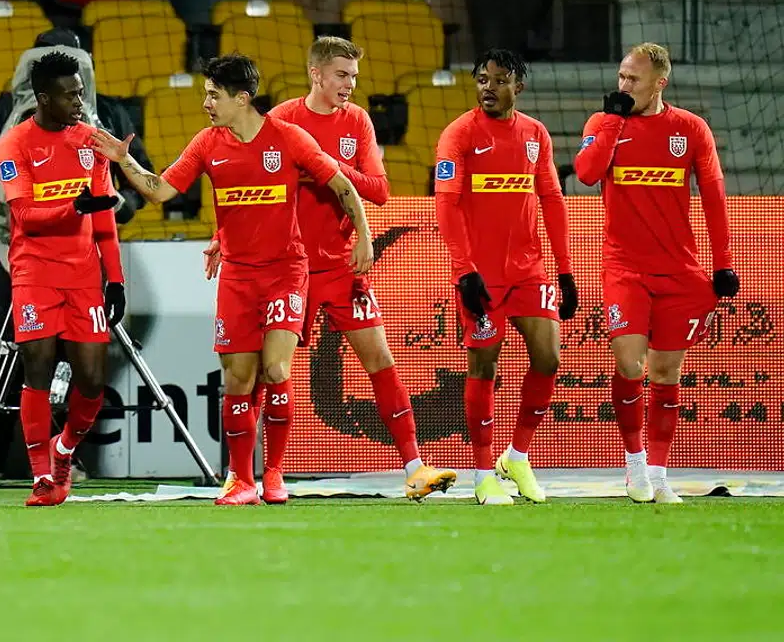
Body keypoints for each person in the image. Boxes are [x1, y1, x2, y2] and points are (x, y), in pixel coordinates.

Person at [91, 54, 375, 506]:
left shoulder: (288, 138)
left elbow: (344, 186)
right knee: (238, 381)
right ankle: (241, 480)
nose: (206, 102)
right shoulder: (208, 143)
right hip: (238, 278)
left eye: (213, 95)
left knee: (277, 369)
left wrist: (363, 237)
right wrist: (123, 161)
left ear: (241, 99)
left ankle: (275, 474)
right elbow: (161, 190)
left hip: (286, 271)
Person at [204, 36, 455, 500]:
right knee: (263, 372)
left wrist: (326, 167)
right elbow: (246, 187)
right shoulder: (280, 120)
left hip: (340, 267)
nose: (350, 85)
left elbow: (378, 189)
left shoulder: (356, 121)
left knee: (379, 358)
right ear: (316, 73)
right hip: (287, 268)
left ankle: (415, 466)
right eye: (342, 75)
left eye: (354, 77)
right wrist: (223, 237)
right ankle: (246, 475)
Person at [574, 42, 737, 504]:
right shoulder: (603, 123)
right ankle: (635, 465)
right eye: (622, 76)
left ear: (659, 83)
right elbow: (586, 173)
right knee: (629, 362)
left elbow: (714, 198)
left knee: (666, 372)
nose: (623, 86)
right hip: (624, 267)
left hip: (679, 272)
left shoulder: (690, 129)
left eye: (633, 80)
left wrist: (723, 263)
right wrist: (610, 122)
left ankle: (660, 474)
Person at [434, 49, 576, 506]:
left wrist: (567, 270)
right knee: (484, 366)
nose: (488, 88)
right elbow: (447, 206)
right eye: (482, 80)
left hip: (529, 270)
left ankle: (516, 455)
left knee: (549, 358)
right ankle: (482, 474)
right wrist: (464, 271)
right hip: (481, 275)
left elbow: (552, 199)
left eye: (499, 80)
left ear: (519, 87)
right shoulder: (458, 135)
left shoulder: (535, 134)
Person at [0, 52, 127, 506]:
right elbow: (25, 216)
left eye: (81, 91)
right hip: (34, 273)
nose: (79, 100)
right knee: (37, 367)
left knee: (91, 381)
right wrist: (74, 208)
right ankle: (41, 479)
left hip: (84, 276)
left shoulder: (91, 141)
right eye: (69, 94)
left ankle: (64, 448)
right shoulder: (13, 144)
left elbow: (105, 217)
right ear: (43, 97)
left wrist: (116, 280)